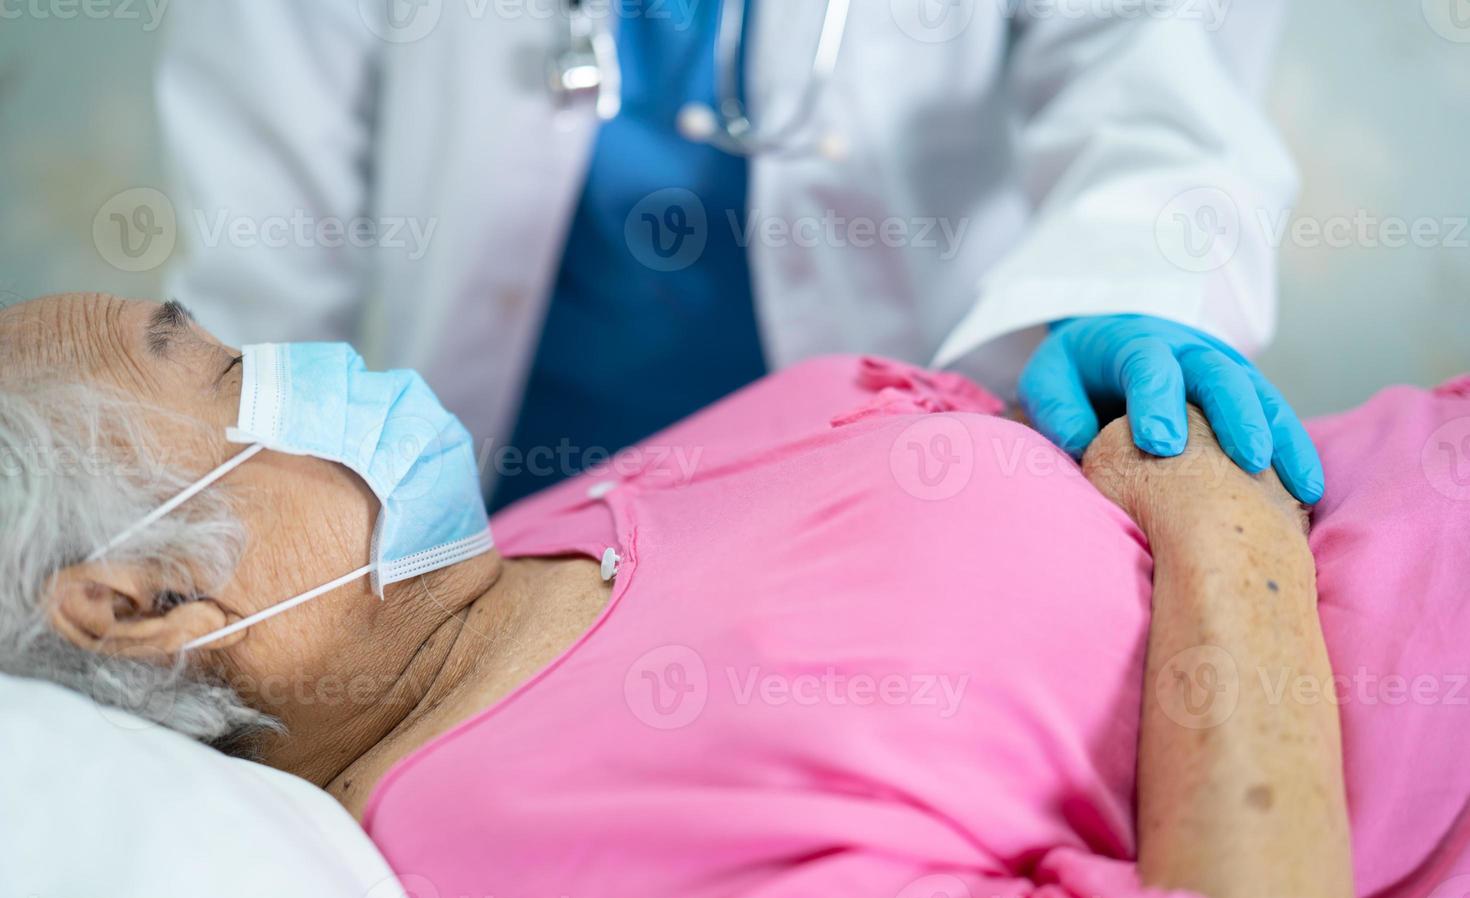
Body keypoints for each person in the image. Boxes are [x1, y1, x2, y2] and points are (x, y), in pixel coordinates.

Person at [11, 293, 1470, 898]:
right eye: (207, 362)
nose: (299, 356)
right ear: (146, 604)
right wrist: (1227, 523)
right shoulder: (544, 884)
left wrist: (1055, 366)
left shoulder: (508, 557)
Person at [156, 0, 1321, 508]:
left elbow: (1163, 82)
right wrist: (236, 513)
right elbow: (264, 273)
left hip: (897, 507)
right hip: (486, 519)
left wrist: (1133, 284)